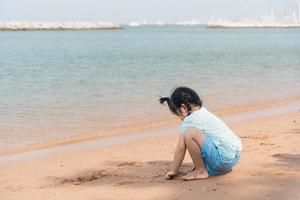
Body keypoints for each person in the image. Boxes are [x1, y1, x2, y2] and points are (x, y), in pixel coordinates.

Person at [159, 87, 242, 181]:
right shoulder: (204, 112)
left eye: (178, 114)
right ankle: (204, 167)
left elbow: (180, 149)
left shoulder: (188, 121)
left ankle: (201, 171)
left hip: (223, 160)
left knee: (189, 134)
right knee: (198, 134)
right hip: (235, 157)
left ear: (184, 108)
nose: (179, 118)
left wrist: (173, 170)